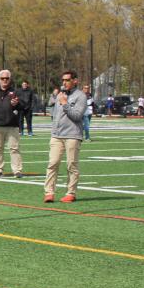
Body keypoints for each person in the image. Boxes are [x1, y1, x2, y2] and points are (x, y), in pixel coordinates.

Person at [44, 70, 87, 204]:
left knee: (71, 165)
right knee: (52, 163)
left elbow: (77, 116)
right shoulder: (60, 94)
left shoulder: (81, 96)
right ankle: (49, 192)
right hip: (57, 135)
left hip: (72, 135)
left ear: (75, 81)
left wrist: (65, 103)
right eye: (63, 80)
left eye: (67, 80)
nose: (64, 82)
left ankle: (71, 193)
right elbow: (54, 111)